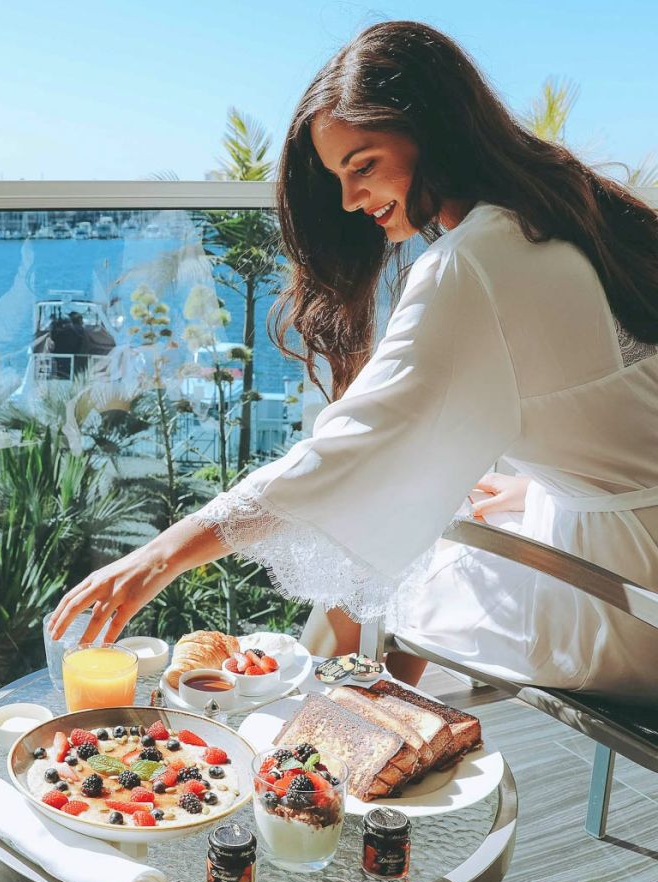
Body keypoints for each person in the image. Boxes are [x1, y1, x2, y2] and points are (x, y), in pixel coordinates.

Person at [48, 20, 658, 701]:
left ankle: (339, 760)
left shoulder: (474, 262)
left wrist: (162, 554)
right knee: (414, 534)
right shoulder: (556, 213)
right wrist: (562, 482)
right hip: (629, 527)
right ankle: (345, 757)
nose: (348, 199)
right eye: (341, 175)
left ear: (436, 130)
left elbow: (348, 452)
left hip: (636, 600)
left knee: (393, 575)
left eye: (363, 164)